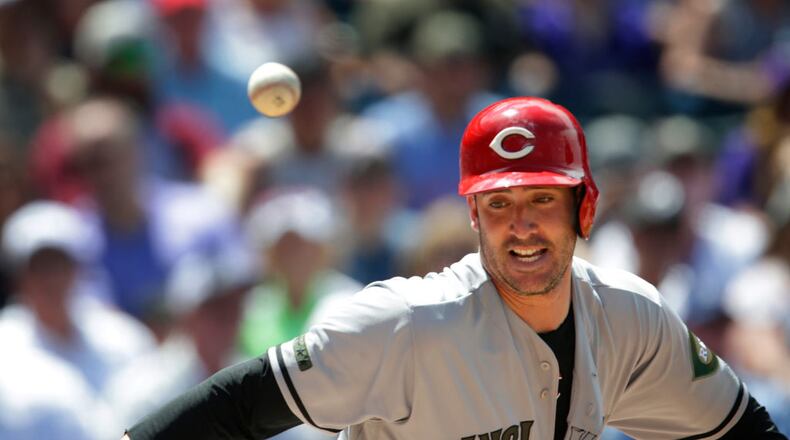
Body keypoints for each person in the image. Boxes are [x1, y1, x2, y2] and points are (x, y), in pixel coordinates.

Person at [124, 97, 786, 439]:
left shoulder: (630, 314)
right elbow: (235, 408)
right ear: (473, 218)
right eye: (498, 204)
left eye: (541, 200)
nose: (520, 225)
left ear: (585, 208)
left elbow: (738, 431)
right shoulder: (408, 321)